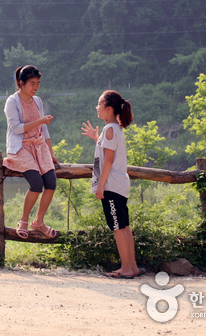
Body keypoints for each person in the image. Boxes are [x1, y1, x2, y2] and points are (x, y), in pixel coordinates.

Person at [81, 90, 140, 278]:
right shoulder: (115, 128)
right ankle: (132, 267)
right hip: (119, 185)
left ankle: (126, 268)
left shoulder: (110, 129)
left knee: (117, 228)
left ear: (108, 108)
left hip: (112, 186)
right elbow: (108, 151)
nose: (96, 108)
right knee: (124, 227)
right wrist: (95, 138)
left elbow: (108, 160)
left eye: (99, 104)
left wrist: (100, 185)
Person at [4, 65, 59, 239]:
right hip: (22, 148)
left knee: (51, 181)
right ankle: (24, 220)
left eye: (38, 83)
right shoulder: (12, 102)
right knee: (36, 183)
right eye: (32, 84)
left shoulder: (38, 101)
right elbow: (17, 128)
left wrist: (50, 153)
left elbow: (44, 130)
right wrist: (40, 120)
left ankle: (39, 221)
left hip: (39, 147)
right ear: (21, 83)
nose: (35, 87)